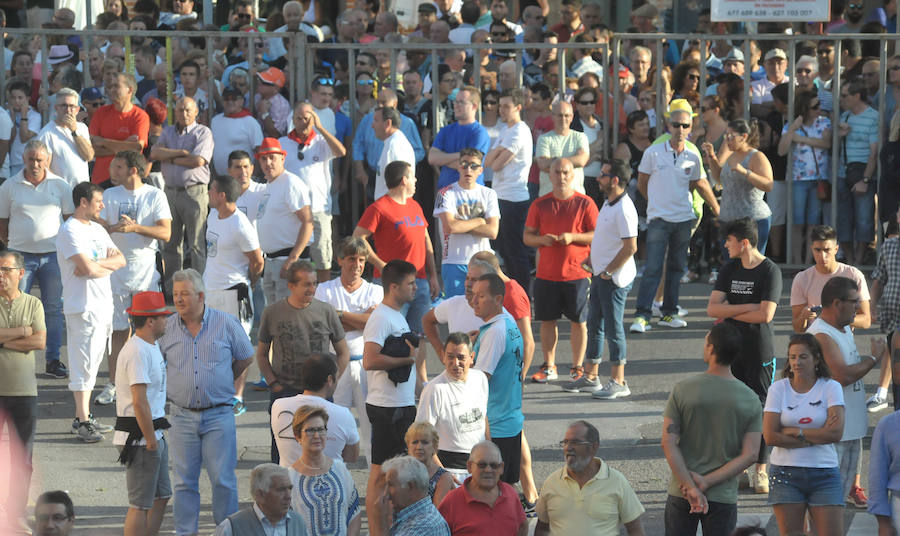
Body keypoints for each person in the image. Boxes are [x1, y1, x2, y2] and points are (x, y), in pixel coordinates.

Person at [159, 268, 255, 535]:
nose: (178, 299)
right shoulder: (166, 327)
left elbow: (246, 356)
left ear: (201, 295)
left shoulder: (226, 323)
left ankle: (226, 531)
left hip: (218, 414)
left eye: (184, 294)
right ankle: (185, 532)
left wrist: (224, 381)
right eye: (176, 294)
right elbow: (156, 364)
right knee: (184, 483)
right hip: (181, 415)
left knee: (223, 481)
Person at [661, 323, 762, 534]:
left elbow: (668, 441)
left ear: (711, 349)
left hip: (681, 492)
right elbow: (751, 454)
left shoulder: (683, 389)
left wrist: (689, 485)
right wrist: (706, 482)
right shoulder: (750, 398)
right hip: (723, 495)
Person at [631, 100, 720, 334]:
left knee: (676, 268)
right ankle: (642, 315)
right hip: (659, 219)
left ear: (691, 127)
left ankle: (669, 313)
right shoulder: (653, 152)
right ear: (668, 126)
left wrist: (718, 211)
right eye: (676, 124)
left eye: (684, 125)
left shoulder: (693, 155)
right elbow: (642, 183)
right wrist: (657, 202)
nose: (680, 129)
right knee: (652, 268)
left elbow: (699, 183)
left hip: (683, 219)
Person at [706, 218, 782, 493]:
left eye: (729, 241)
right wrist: (749, 305)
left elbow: (766, 315)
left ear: (744, 242)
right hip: (730, 347)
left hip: (759, 349)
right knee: (732, 406)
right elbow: (712, 309)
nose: (726, 246)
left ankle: (761, 468)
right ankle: (739, 468)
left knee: (760, 407)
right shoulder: (729, 268)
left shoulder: (770, 271)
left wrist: (733, 308)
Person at [96, 150, 172, 407]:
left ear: (133, 170)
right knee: (117, 329)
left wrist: (135, 227)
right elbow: (98, 229)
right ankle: (114, 383)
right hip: (115, 271)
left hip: (146, 272)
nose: (111, 171)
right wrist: (112, 228)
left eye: (117, 167)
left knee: (150, 328)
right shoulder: (109, 194)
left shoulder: (154, 195)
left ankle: (152, 379)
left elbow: (166, 232)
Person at [256, 260, 349, 463]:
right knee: (282, 456)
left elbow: (343, 352)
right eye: (306, 284)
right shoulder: (272, 313)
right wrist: (274, 384)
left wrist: (332, 384)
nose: (312, 288)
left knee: (322, 453)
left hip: (320, 394)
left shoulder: (326, 311)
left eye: (314, 283)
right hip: (285, 392)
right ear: (291, 286)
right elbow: (262, 354)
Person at [57, 181, 126, 442]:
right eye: (99, 201)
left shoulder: (97, 229)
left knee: (93, 363)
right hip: (82, 307)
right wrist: (98, 265)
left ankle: (83, 417)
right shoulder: (69, 230)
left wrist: (96, 263)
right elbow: (83, 270)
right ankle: (82, 419)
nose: (103, 205)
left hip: (102, 306)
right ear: (83, 202)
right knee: (82, 363)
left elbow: (120, 259)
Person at [807, 276, 882, 510]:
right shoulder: (822, 335)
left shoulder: (843, 329)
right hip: (833, 435)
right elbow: (843, 376)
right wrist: (873, 358)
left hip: (850, 432)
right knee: (826, 503)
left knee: (837, 502)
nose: (858, 308)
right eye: (854, 302)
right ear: (837, 303)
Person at [564, 159, 638, 398]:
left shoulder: (625, 208)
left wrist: (608, 271)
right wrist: (594, 264)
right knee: (595, 324)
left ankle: (619, 382)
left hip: (613, 280)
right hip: (600, 276)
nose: (598, 178)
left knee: (614, 329)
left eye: (603, 175)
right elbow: (607, 241)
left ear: (615, 180)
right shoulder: (609, 203)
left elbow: (630, 247)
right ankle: (591, 377)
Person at [0, 139, 72, 379]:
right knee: (14, 309)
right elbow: (2, 222)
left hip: (52, 256)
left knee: (52, 309)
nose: (35, 164)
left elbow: (70, 220)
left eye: (40, 160)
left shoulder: (60, 186)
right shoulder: (10, 186)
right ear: (24, 159)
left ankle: (53, 361)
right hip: (20, 258)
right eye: (31, 159)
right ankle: (13, 360)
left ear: (47, 160)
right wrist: (14, 246)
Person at [353, 161, 440, 359]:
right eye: (413, 176)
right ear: (404, 180)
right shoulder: (379, 207)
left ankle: (421, 381)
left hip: (420, 281)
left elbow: (426, 242)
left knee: (420, 336)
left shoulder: (415, 205)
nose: (416, 180)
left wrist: (433, 275)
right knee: (393, 336)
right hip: (394, 283)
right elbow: (358, 237)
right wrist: (380, 265)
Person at [762, 334, 845, 536]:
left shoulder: (831, 387)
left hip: (824, 472)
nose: (796, 362)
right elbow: (770, 436)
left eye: (803, 357)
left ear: (816, 359)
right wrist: (817, 435)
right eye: (792, 357)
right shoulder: (778, 388)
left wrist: (796, 432)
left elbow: (836, 433)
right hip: (785, 474)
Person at [524, 158, 597, 383]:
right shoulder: (540, 204)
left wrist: (572, 237)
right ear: (550, 175)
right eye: (557, 172)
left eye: (566, 172)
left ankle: (577, 367)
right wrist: (541, 240)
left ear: (573, 174)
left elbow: (598, 235)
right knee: (547, 321)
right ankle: (549, 366)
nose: (562, 177)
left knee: (579, 322)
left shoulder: (585, 203)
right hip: (546, 273)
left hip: (578, 273)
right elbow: (527, 237)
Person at [361, 259, 420, 536]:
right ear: (393, 286)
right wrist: (407, 359)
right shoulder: (382, 317)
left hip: (400, 405)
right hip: (387, 407)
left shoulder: (396, 315)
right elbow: (370, 360)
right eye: (410, 283)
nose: (415, 288)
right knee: (380, 474)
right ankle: (376, 531)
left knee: (395, 473)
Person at [314, 236, 384, 464]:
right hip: (335, 366)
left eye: (362, 260)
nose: (358, 265)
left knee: (370, 429)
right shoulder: (324, 289)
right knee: (333, 428)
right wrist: (361, 319)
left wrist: (340, 315)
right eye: (352, 259)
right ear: (340, 260)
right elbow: (324, 325)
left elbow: (373, 323)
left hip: (366, 366)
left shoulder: (375, 290)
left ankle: (376, 483)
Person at [113, 291, 172, 536]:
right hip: (141, 438)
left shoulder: (151, 345)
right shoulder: (137, 351)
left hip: (153, 433)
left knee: (161, 496)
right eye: (163, 317)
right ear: (150, 320)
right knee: (139, 504)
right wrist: (149, 438)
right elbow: (139, 402)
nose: (167, 321)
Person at [534, 420, 645, 535]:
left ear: (593, 447)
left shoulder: (616, 481)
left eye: (575, 442)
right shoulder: (552, 482)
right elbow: (542, 528)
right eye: (566, 442)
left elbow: (635, 528)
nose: (568, 447)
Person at [0, 250, 45, 529]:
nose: (0, 275)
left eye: (5, 269)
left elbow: (40, 341)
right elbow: (30, 335)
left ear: (20, 273)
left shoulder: (33, 303)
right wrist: (22, 332)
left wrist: (4, 341)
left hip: (24, 394)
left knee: (22, 460)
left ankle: (16, 513)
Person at [152, 97, 214, 292]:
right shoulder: (168, 131)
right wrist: (180, 152)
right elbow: (154, 154)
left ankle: (198, 289)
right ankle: (173, 289)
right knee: (170, 243)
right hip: (170, 191)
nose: (184, 113)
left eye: (188, 110)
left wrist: (169, 156)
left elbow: (198, 161)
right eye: (180, 110)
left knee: (196, 244)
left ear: (196, 112)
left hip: (194, 192)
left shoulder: (203, 132)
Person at [280, 102, 346, 283]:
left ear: (314, 118)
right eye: (298, 118)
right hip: (291, 210)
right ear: (292, 120)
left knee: (322, 259)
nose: (303, 122)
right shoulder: (282, 143)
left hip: (318, 208)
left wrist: (321, 128)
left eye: (307, 118)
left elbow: (341, 151)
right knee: (295, 259)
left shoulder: (321, 142)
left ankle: (322, 297)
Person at [472, 273, 524, 485]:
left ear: (499, 299)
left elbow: (479, 381)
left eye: (481, 296)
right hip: (510, 420)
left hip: (495, 426)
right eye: (473, 295)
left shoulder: (494, 333)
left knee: (493, 493)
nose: (473, 301)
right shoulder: (509, 322)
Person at [416, 333, 489, 478]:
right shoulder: (434, 389)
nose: (455, 363)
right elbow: (421, 441)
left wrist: (490, 457)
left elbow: (483, 418)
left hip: (480, 469)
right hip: (451, 470)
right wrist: (443, 475)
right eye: (450, 356)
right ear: (443, 357)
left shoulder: (480, 379)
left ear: (471, 358)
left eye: (461, 357)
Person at [484, 88, 533, 295]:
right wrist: (496, 154)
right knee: (505, 250)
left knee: (515, 251)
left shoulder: (519, 130)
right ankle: (514, 294)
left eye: (506, 106)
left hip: (514, 198)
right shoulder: (506, 129)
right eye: (500, 106)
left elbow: (495, 164)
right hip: (501, 195)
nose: (501, 110)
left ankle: (521, 295)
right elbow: (488, 160)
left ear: (518, 108)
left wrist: (496, 154)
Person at [203, 173, 263, 339]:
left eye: (211, 190)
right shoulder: (213, 215)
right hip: (211, 290)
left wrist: (250, 282)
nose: (208, 192)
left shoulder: (240, 225)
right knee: (213, 342)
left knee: (238, 344)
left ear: (222, 196)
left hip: (233, 293)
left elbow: (257, 261)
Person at [271, 354, 360, 467]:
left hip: (289, 481)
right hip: (330, 481)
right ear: (329, 380)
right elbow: (352, 457)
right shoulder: (344, 414)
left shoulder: (278, 406)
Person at [255, 138, 314, 306]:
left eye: (272, 157)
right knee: (276, 316)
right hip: (272, 261)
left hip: (288, 260)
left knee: (290, 315)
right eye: (263, 158)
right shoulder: (269, 185)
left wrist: (293, 258)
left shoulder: (290, 183)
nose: (268, 162)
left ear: (282, 158)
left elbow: (308, 222)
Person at [287, 405, 362, 536]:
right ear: (298, 436)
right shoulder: (289, 477)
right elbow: (285, 524)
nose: (317, 435)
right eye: (310, 430)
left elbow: (354, 512)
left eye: (321, 429)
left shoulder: (340, 469)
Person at [434, 148, 499, 297]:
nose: (468, 169)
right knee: (456, 312)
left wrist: (460, 224)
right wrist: (479, 220)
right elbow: (449, 227)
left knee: (485, 311)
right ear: (458, 166)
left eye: (474, 165)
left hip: (483, 260)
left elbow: (492, 231)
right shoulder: (445, 193)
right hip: (453, 261)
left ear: (481, 170)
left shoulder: (489, 194)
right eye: (464, 164)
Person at [703, 119, 774, 255]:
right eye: (726, 136)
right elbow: (720, 179)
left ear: (744, 137)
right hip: (728, 220)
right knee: (731, 266)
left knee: (751, 265)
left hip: (752, 221)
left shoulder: (756, 156)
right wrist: (711, 156)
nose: (727, 140)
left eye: (731, 136)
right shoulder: (731, 155)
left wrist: (745, 172)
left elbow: (768, 185)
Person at [777, 89, 831, 265]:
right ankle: (797, 262)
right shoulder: (792, 125)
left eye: (819, 105)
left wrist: (801, 140)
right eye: (815, 106)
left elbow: (827, 143)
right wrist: (792, 130)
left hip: (818, 179)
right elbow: (781, 150)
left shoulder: (824, 123)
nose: (819, 109)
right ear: (805, 108)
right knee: (797, 223)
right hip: (798, 179)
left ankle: (809, 263)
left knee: (813, 224)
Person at [790, 225, 871, 333]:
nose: (822, 255)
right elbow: (797, 328)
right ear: (811, 249)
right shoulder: (801, 278)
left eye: (827, 250)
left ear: (836, 249)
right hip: (814, 342)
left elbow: (866, 320)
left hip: (842, 342)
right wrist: (803, 317)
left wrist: (836, 317)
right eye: (817, 250)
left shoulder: (853, 275)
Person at [438, 440, 528, 536]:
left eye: (494, 465)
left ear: (501, 468)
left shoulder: (511, 494)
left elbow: (522, 526)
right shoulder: (452, 502)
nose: (488, 470)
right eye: (482, 465)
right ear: (469, 466)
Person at [836, 80, 880, 265]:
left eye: (845, 95)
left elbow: (874, 153)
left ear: (857, 96)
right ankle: (850, 259)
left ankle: (859, 261)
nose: (841, 99)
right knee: (843, 218)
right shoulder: (844, 117)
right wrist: (838, 136)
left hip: (863, 173)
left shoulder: (873, 117)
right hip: (843, 173)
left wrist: (866, 179)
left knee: (864, 218)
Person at [213, 463, 308, 536]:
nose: (288, 496)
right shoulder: (233, 526)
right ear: (260, 495)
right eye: (281, 490)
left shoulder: (298, 523)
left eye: (290, 488)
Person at [89, 73, 149, 187]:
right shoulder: (101, 113)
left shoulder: (140, 116)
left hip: (128, 183)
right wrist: (126, 144)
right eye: (110, 86)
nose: (111, 90)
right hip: (101, 180)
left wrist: (103, 142)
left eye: (116, 86)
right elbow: (92, 150)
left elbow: (136, 147)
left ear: (129, 90)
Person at [427, 85, 491, 190]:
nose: (456, 105)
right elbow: (432, 158)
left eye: (461, 102)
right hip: (446, 192)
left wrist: (444, 159)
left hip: (469, 194)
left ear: (474, 106)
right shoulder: (446, 130)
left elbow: (470, 165)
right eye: (455, 101)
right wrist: (461, 156)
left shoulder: (479, 133)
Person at [377, 455, 451, 536]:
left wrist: (381, 523)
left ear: (410, 486)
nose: (386, 493)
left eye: (390, 485)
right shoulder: (420, 516)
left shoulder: (422, 527)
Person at [37, 87, 93, 188]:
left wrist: (74, 131)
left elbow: (89, 156)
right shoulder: (47, 133)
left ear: (77, 110)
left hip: (82, 192)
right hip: (60, 192)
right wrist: (60, 187)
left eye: (72, 106)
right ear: (56, 108)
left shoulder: (82, 128)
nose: (67, 110)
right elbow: (44, 167)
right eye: (63, 105)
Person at [535, 101, 590, 197]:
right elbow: (542, 164)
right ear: (552, 117)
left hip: (576, 197)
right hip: (548, 196)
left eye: (567, 115)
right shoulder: (544, 139)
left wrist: (553, 162)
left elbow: (581, 161)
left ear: (572, 117)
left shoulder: (580, 137)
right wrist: (572, 161)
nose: (563, 119)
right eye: (560, 115)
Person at [209, 85, 263, 177]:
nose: (230, 102)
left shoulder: (250, 122)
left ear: (242, 101)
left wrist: (254, 177)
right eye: (226, 99)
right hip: (220, 178)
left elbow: (260, 152)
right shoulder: (215, 121)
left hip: (243, 178)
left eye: (234, 99)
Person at [404, 422, 454, 506]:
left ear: (434, 446)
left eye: (425, 442)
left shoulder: (443, 477)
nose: (419, 447)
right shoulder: (398, 472)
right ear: (408, 446)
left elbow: (437, 513)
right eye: (415, 442)